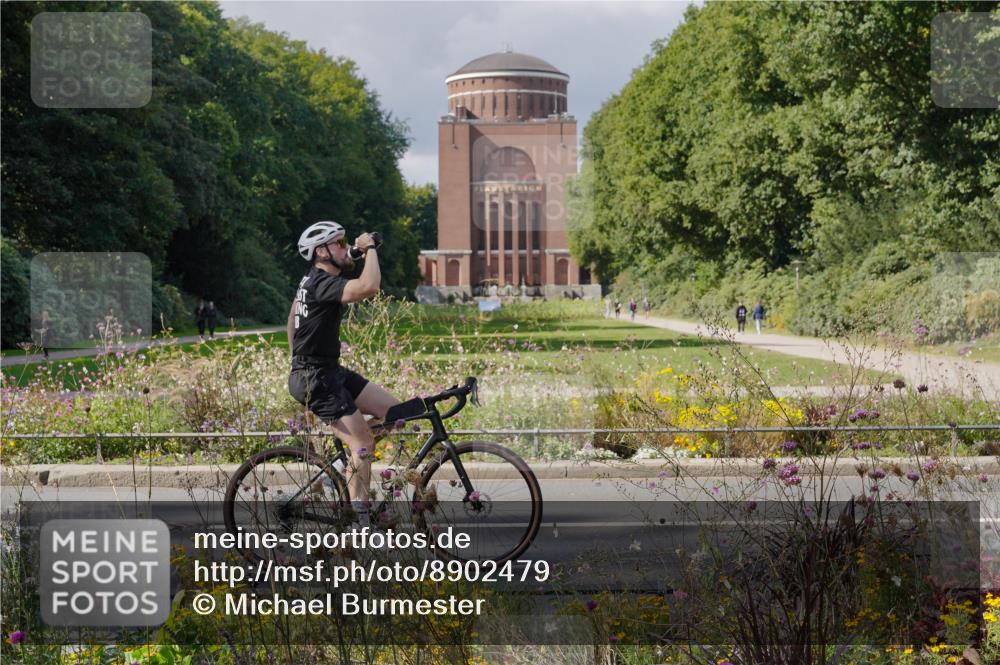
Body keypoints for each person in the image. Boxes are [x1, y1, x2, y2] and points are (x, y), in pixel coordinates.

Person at [287, 221, 401, 527]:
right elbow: (369, 287)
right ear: (322, 253)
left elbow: (292, 317)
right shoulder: (322, 282)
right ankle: (358, 522)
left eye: (344, 241)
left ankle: (340, 466)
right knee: (362, 443)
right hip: (315, 378)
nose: (345, 246)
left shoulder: (312, 281)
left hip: (326, 369)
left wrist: (296, 356)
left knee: (395, 412)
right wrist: (371, 248)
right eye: (339, 243)